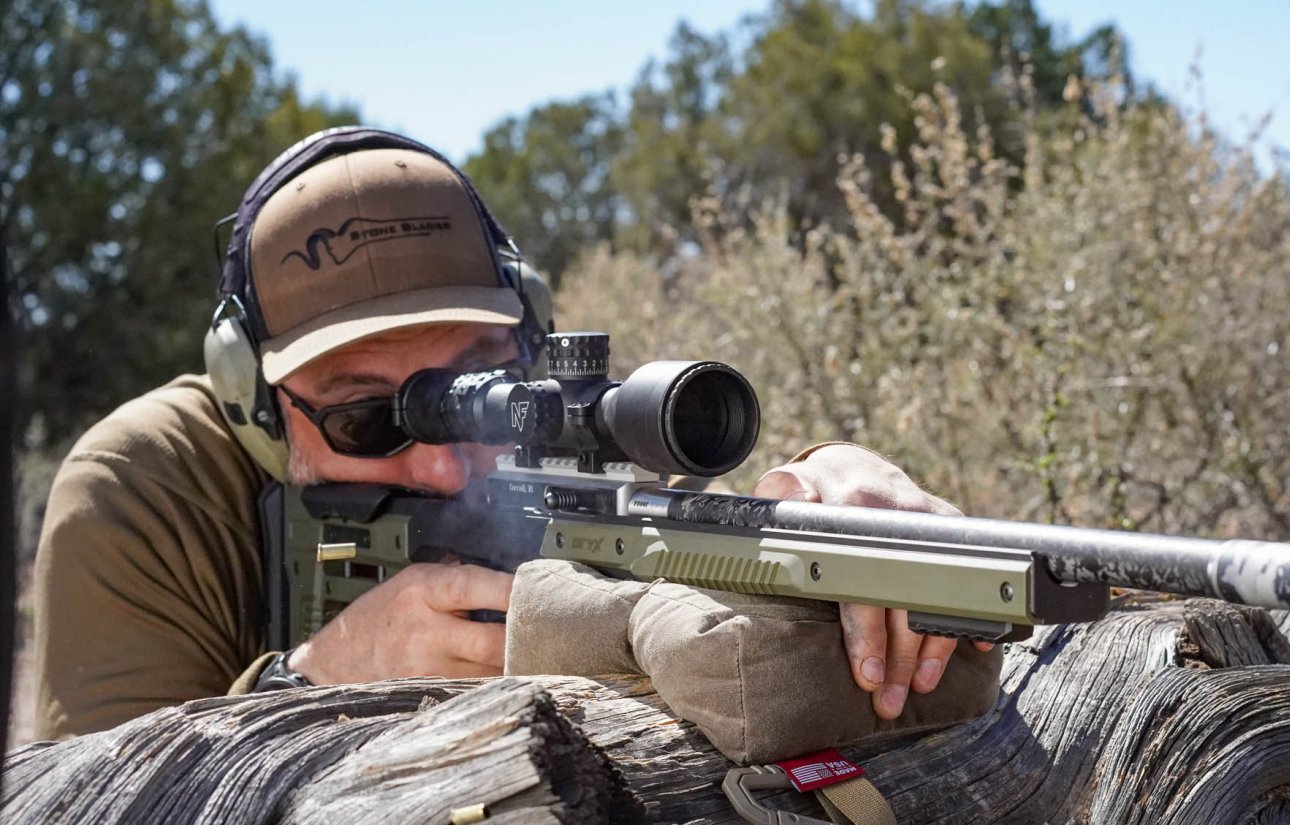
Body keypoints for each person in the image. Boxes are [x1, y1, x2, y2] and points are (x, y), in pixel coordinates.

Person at [31, 126, 977, 740]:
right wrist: (311, 681)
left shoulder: (539, 428)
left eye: (479, 382)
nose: (447, 459)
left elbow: (683, 530)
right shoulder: (140, 484)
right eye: (368, 417)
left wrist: (830, 489)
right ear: (252, 395)